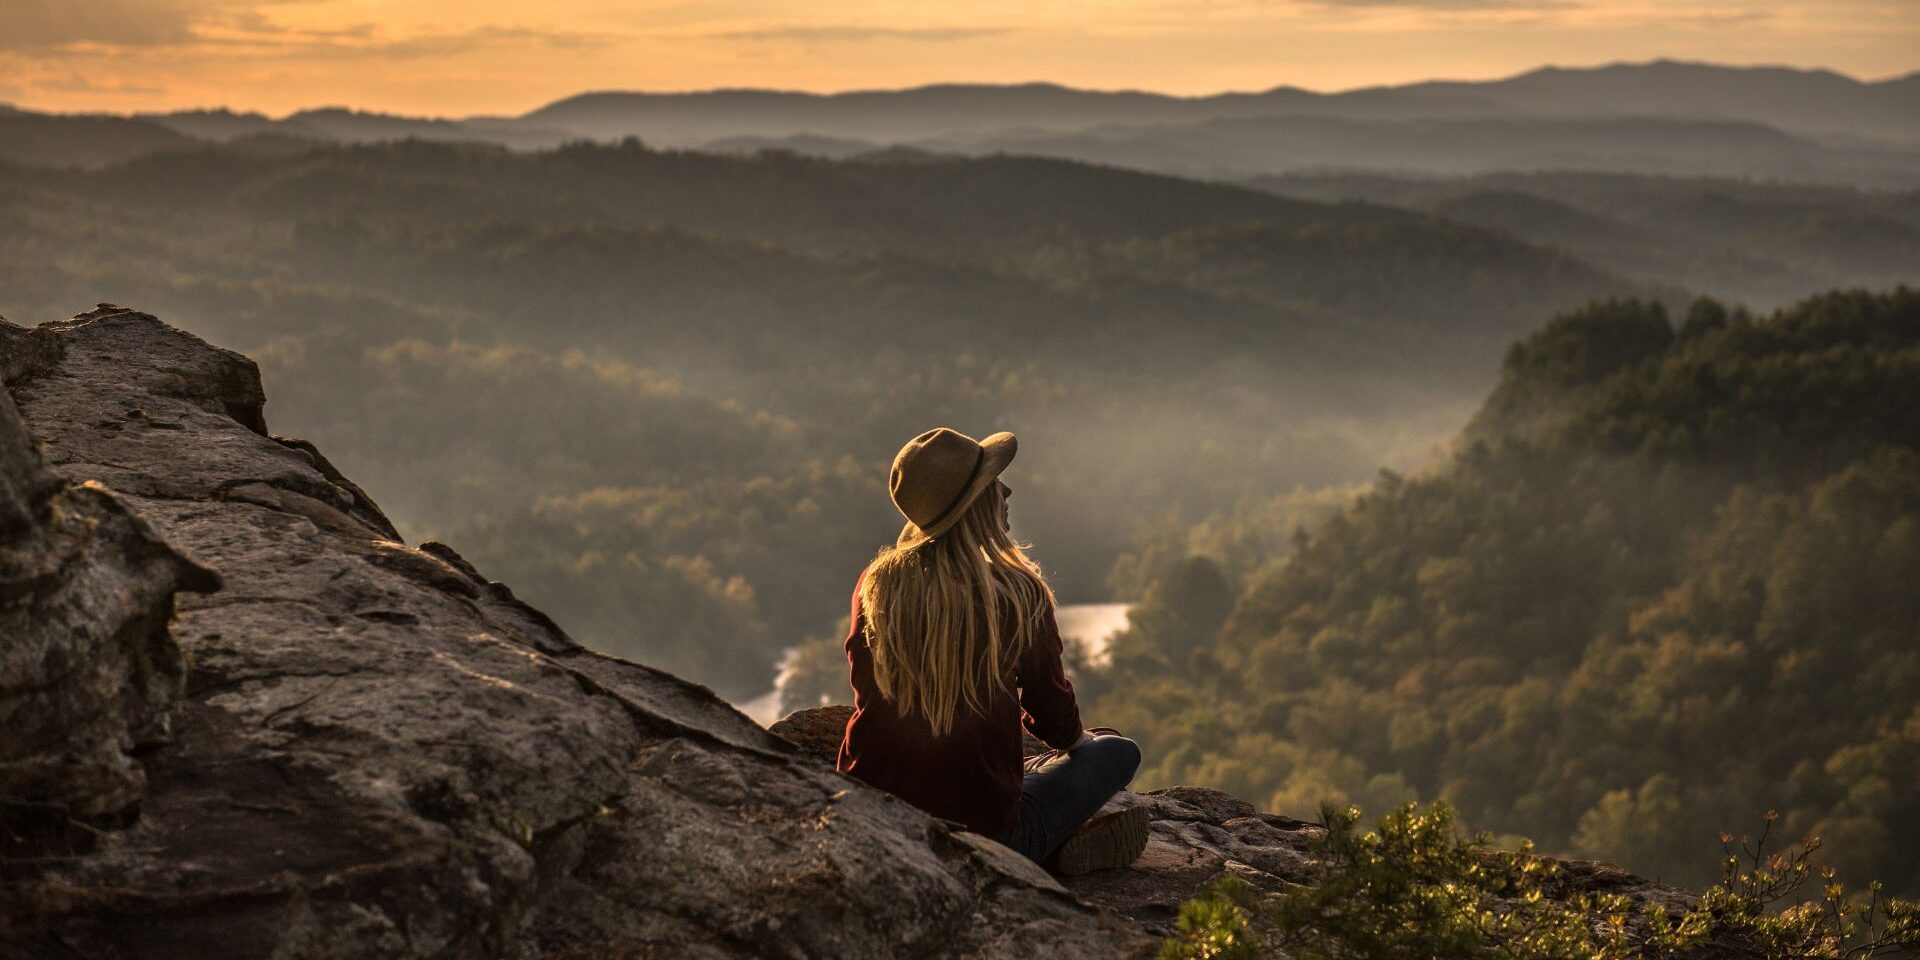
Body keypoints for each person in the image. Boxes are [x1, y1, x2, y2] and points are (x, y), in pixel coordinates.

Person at [835, 426, 1148, 875]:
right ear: (975, 505)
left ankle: (1053, 834)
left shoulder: (877, 586)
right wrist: (1081, 744)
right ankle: (1053, 852)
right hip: (983, 838)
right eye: (993, 483)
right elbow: (1052, 715)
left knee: (1048, 762)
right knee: (1116, 751)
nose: (1007, 490)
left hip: (873, 813)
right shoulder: (1016, 593)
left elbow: (864, 686)